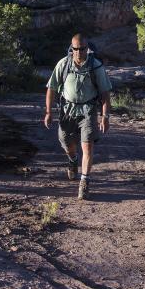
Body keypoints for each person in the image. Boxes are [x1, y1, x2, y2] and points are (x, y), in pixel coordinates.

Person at [44, 33, 112, 200]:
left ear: (87, 49)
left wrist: (105, 116)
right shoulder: (63, 64)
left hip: (88, 111)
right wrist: (48, 112)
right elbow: (51, 88)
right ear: (71, 48)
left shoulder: (96, 66)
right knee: (67, 143)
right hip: (67, 111)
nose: (79, 52)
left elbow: (105, 93)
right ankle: (73, 160)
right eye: (75, 49)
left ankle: (84, 182)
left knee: (87, 147)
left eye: (82, 49)